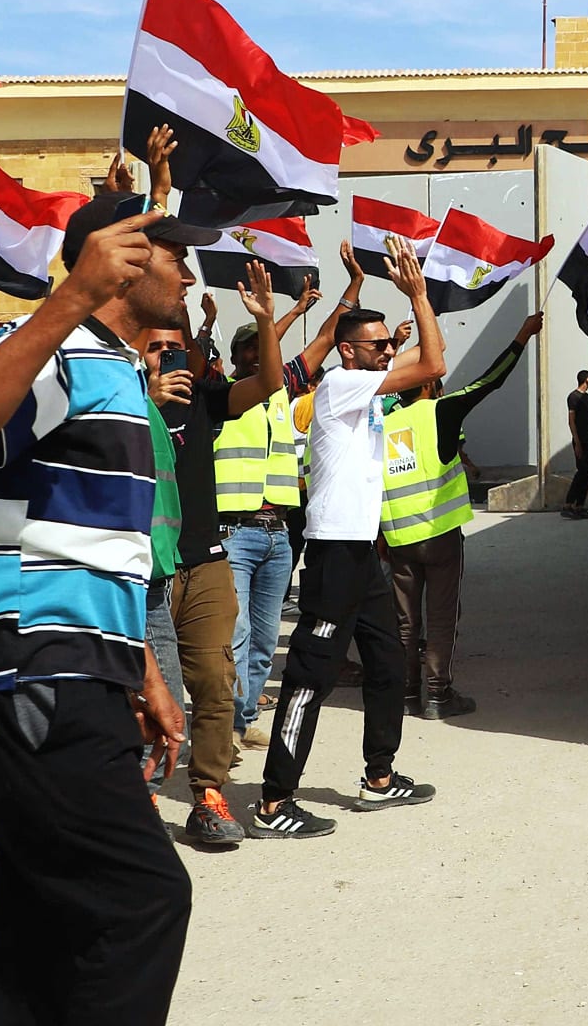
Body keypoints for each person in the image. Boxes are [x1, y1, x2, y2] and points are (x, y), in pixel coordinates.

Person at [0, 192, 212, 1026]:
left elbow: (95, 552)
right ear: (124, 262)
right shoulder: (52, 347)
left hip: (69, 676)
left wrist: (141, 668)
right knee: (143, 904)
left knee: (43, 930)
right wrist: (64, 300)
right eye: (177, 257)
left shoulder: (120, 373)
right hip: (28, 678)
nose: (191, 275)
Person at [253, 235, 445, 839]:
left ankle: (379, 777)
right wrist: (416, 296)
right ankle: (274, 800)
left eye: (391, 343)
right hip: (335, 552)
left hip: (364, 551)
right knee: (312, 673)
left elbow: (424, 357)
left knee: (388, 662)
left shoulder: (364, 385)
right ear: (348, 352)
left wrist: (406, 314)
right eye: (380, 344)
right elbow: (433, 365)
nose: (391, 350)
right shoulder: (338, 386)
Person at [143, 258, 288, 849]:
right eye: (155, 349)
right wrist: (144, 394)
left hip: (205, 562)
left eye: (174, 350)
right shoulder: (118, 399)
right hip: (147, 571)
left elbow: (270, 384)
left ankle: (207, 793)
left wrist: (268, 320)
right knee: (155, 693)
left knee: (214, 682)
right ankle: (145, 797)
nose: (167, 359)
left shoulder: (206, 400)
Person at [384, 311, 540, 720]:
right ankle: (437, 696)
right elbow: (490, 381)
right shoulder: (442, 411)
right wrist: (521, 336)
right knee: (440, 616)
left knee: (404, 622)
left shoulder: (383, 422)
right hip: (439, 537)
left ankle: (404, 695)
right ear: (431, 382)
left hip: (398, 539)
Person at [216, 302, 307, 751]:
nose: (258, 355)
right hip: (235, 532)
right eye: (249, 348)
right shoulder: (223, 395)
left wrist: (344, 294)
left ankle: (245, 716)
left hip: (278, 533)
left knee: (265, 638)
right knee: (235, 635)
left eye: (263, 348)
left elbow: (320, 345)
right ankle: (227, 726)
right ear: (236, 356)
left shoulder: (279, 398)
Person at [562, 369, 588, 518]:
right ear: (587, 380)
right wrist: (577, 442)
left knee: (587, 474)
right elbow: (571, 422)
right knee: (581, 472)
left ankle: (580, 506)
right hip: (580, 440)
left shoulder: (587, 397)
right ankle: (568, 504)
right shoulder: (573, 397)